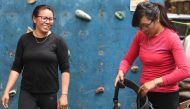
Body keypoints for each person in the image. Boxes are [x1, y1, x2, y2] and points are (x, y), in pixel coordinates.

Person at [114, 2, 190, 109]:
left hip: (166, 97)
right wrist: (121, 71)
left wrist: (155, 82)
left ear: (157, 18)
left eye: (146, 25)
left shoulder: (171, 38)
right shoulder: (141, 35)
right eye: (140, 27)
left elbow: (185, 70)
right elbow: (127, 59)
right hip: (144, 94)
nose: (143, 30)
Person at [1, 5, 70, 109]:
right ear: (34, 19)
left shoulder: (58, 41)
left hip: (49, 94)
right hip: (27, 93)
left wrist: (64, 95)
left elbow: (65, 69)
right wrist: (6, 91)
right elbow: (16, 67)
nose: (48, 22)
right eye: (44, 18)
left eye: (51, 19)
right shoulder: (24, 40)